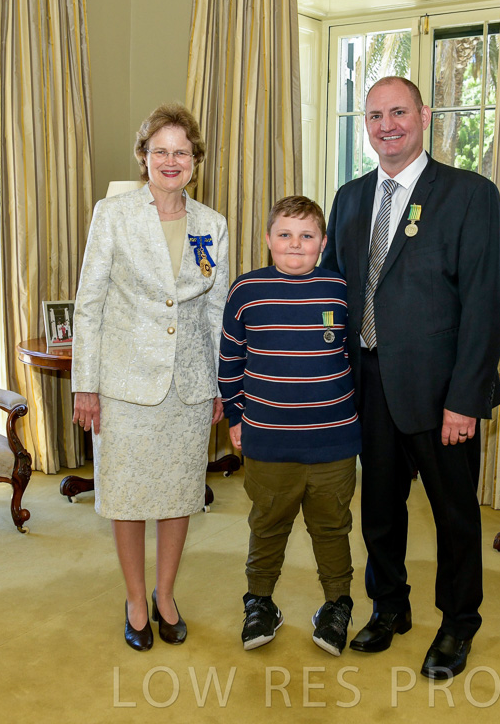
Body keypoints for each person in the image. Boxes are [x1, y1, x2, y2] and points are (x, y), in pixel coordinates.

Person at [321, 76, 500, 678]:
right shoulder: (349, 198)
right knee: (379, 509)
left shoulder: (470, 195)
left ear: (424, 116)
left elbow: (486, 304)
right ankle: (389, 607)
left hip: (441, 392)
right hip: (367, 384)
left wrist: (465, 399)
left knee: (454, 516)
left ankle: (458, 623)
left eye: (398, 112)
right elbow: (332, 292)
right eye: (375, 115)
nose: (387, 125)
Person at [71, 103, 229, 651]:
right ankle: (136, 600)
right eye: (160, 150)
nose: (170, 160)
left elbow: (217, 311)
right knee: (128, 496)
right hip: (124, 386)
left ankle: (166, 594)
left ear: (195, 161)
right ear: (143, 157)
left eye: (181, 152)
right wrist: (85, 384)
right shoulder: (112, 215)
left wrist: (221, 384)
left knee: (179, 494)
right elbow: (89, 303)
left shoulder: (212, 225)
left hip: (189, 384)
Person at [218, 196, 362, 656]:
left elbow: (359, 360)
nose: (295, 244)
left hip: (333, 441)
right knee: (267, 524)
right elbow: (229, 362)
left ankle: (337, 605)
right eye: (284, 234)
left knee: (332, 526)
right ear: (267, 239)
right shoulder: (246, 290)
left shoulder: (340, 289)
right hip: (268, 441)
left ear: (323, 241)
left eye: (306, 236)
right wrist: (236, 417)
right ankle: (259, 602)